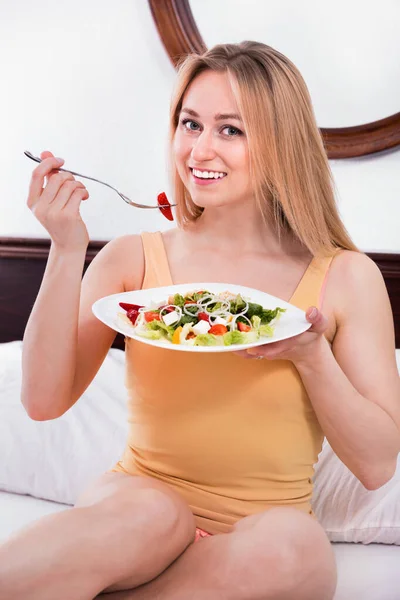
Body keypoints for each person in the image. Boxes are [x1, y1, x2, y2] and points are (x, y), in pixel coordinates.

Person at [1, 40, 399, 600]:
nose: (199, 149)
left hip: (254, 544)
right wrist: (66, 249)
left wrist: (312, 356)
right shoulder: (133, 257)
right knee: (153, 512)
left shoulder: (347, 277)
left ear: (282, 143)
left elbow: (379, 463)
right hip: (132, 518)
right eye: (190, 124)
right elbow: (42, 400)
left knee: (297, 544)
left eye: (230, 130)